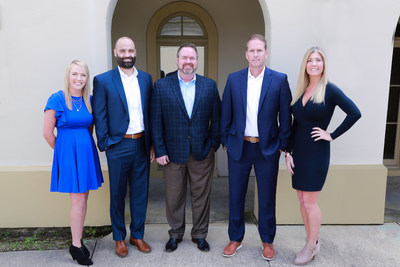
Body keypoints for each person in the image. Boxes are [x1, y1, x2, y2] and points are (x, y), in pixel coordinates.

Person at [284, 47, 361, 265]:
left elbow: (355, 113)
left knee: (310, 202)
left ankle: (311, 245)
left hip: (316, 153)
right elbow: (295, 125)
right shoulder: (302, 90)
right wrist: (288, 152)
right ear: (305, 65)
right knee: (301, 199)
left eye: (318, 60)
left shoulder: (330, 90)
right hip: (298, 152)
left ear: (323, 64)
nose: (314, 63)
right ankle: (312, 242)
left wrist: (332, 134)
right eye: (310, 60)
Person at [220, 34, 292, 261]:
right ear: (246, 54)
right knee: (236, 195)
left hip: (267, 149)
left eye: (259, 50)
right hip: (239, 148)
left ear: (266, 53)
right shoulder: (234, 79)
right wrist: (225, 141)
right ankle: (235, 239)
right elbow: (226, 113)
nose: (255, 54)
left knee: (267, 197)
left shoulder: (279, 80)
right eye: (251, 50)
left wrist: (282, 144)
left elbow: (286, 117)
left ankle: (267, 241)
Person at [151, 43, 221, 253]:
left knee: (201, 196)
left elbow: (217, 120)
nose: (188, 62)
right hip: (172, 154)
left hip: (202, 152)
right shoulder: (162, 86)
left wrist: (212, 146)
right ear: (177, 60)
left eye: (192, 58)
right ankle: (175, 234)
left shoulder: (209, 86)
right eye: (184, 58)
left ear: (197, 61)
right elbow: (156, 121)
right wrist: (160, 150)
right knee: (174, 196)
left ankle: (200, 235)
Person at [92, 37, 154, 257]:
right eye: (123, 51)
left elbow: (151, 113)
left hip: (142, 143)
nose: (127, 54)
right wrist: (106, 143)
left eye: (131, 50)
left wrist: (152, 143)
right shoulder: (103, 80)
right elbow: (100, 115)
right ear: (115, 52)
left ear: (135, 51)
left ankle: (137, 235)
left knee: (140, 193)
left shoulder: (146, 79)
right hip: (118, 145)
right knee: (117, 194)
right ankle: (119, 237)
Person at [43, 60, 103, 266]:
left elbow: (90, 129)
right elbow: (48, 134)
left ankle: (78, 241)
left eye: (83, 75)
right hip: (69, 155)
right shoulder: (57, 99)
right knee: (77, 201)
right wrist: (64, 154)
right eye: (75, 74)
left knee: (84, 199)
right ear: (68, 75)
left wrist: (83, 149)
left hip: (86, 154)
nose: (79, 79)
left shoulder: (90, 100)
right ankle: (76, 246)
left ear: (87, 78)